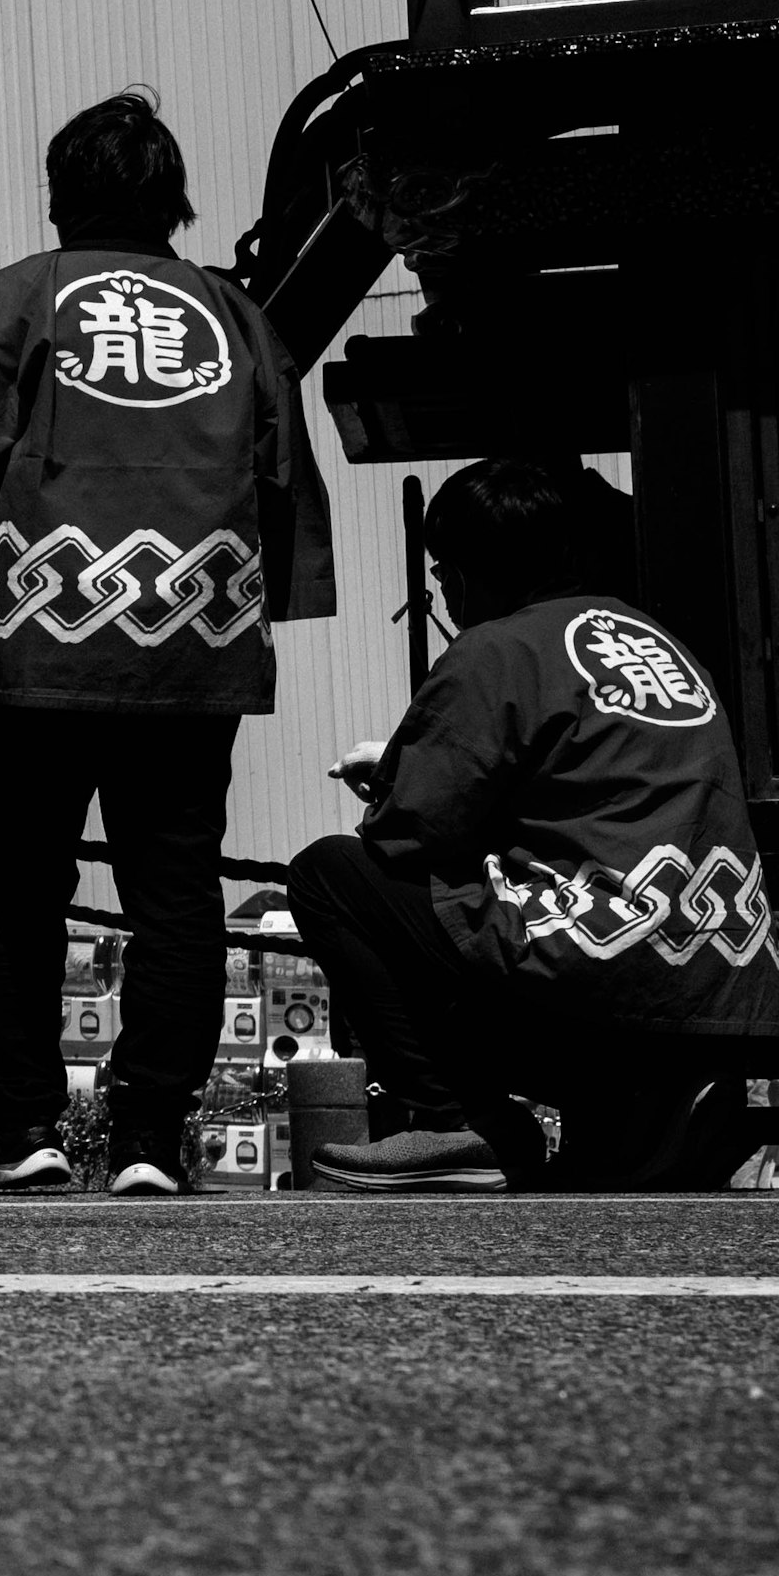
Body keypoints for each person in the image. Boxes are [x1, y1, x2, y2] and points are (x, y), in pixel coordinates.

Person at [0, 93, 333, 1196]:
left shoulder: (20, 297)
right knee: (177, 886)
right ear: (175, 200)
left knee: (19, 882)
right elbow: (282, 461)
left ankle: (27, 1128)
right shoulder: (233, 313)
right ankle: (151, 1133)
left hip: (42, 626)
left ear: (60, 195)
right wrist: (261, 600)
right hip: (191, 633)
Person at [293, 457, 776, 1190]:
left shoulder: (497, 648)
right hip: (722, 993)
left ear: (460, 570)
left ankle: (454, 1121)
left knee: (333, 875)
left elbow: (409, 832)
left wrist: (390, 777)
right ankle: (637, 1110)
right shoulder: (657, 642)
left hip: (601, 981)